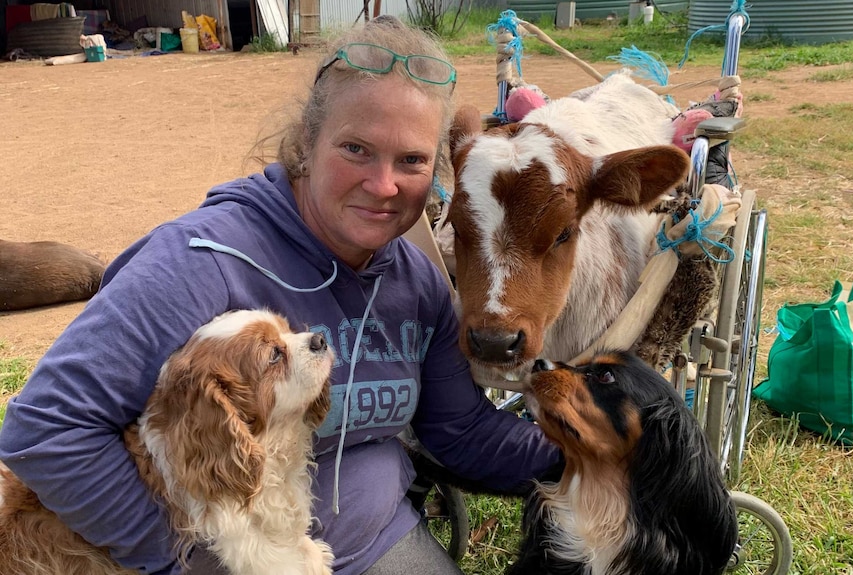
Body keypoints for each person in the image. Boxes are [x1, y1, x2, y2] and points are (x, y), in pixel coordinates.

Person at [0, 15, 562, 575]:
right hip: (223, 557)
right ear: (306, 144)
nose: (385, 184)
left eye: (411, 160)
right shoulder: (201, 260)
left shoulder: (417, 283)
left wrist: (615, 459)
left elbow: (462, 432)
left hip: (375, 540)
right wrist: (177, 561)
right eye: (356, 149)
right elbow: (48, 428)